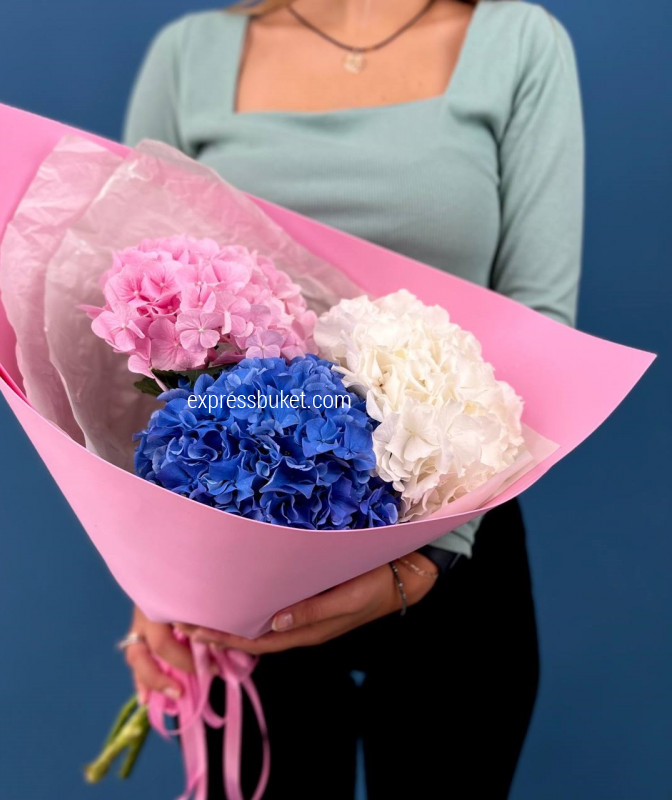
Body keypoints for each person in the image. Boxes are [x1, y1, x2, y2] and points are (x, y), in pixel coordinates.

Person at [119, 0, 584, 796]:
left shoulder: (517, 43)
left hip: (456, 557)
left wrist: (427, 560)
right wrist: (155, 566)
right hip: (241, 564)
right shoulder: (187, 56)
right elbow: (136, 329)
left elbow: (541, 324)